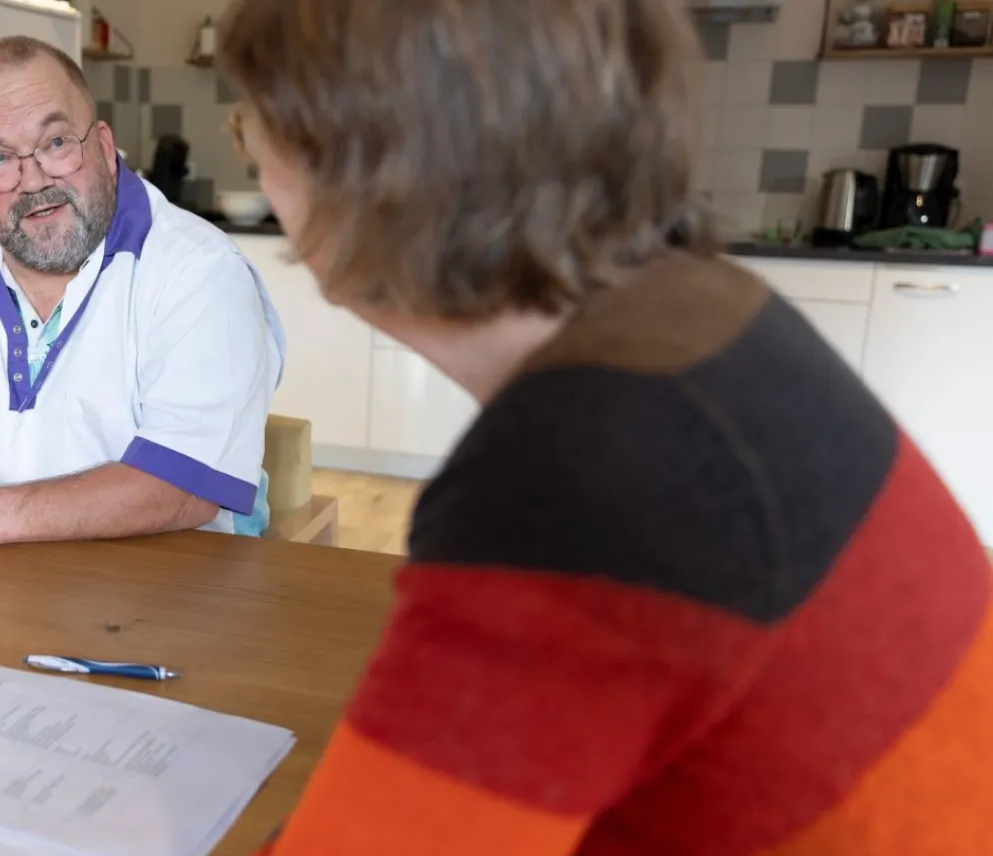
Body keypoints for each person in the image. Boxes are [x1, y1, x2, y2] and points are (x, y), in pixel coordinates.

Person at [219, 0, 993, 853]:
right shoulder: (697, 313)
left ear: (361, 167)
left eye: (253, 123)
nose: (249, 153)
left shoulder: (582, 461)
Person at [0, 36, 285, 561]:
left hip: (165, 597)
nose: (34, 180)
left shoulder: (199, 272)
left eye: (57, 143)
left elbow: (188, 486)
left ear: (104, 147)